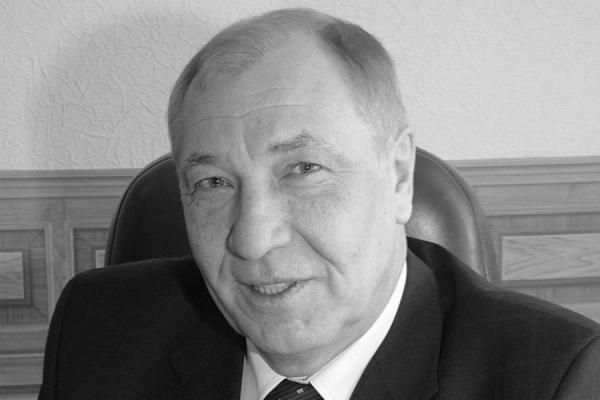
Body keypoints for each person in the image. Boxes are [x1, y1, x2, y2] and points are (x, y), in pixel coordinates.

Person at [39, 8, 599, 400]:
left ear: (398, 176)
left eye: (303, 169)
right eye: (213, 183)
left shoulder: (557, 378)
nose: (251, 239)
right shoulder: (99, 331)